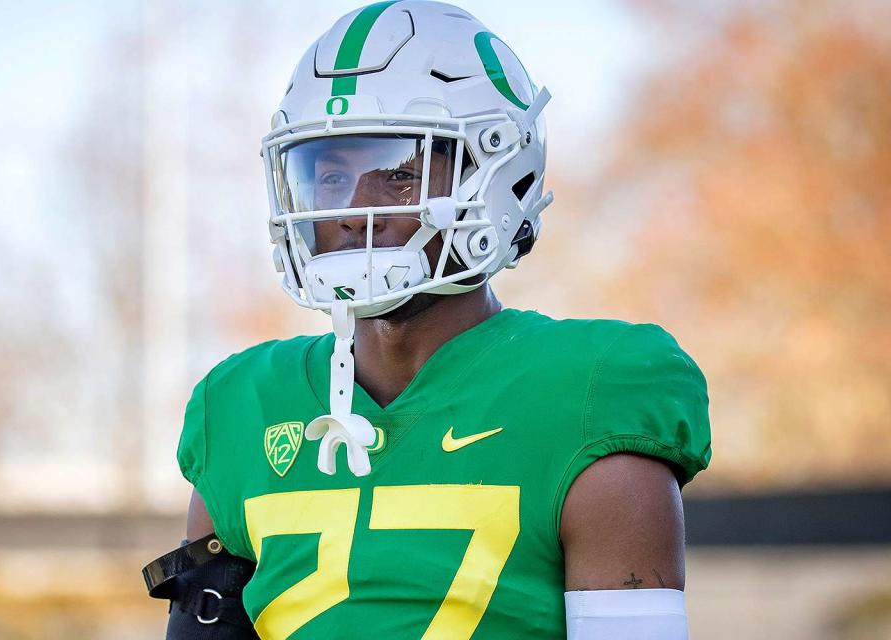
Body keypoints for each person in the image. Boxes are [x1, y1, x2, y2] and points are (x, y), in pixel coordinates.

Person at [162, 2, 712, 638]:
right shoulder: (239, 406)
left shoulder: (590, 392)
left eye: (396, 174)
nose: (348, 209)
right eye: (331, 173)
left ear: (495, 174)